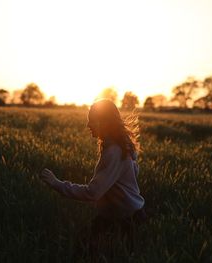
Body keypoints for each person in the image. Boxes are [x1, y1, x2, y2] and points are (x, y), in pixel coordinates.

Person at [38, 99, 148, 261]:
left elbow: (93, 193)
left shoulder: (114, 152)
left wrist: (56, 184)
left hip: (127, 219)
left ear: (105, 122)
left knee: (88, 252)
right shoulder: (120, 146)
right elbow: (132, 172)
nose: (88, 125)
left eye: (92, 120)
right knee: (84, 249)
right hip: (118, 215)